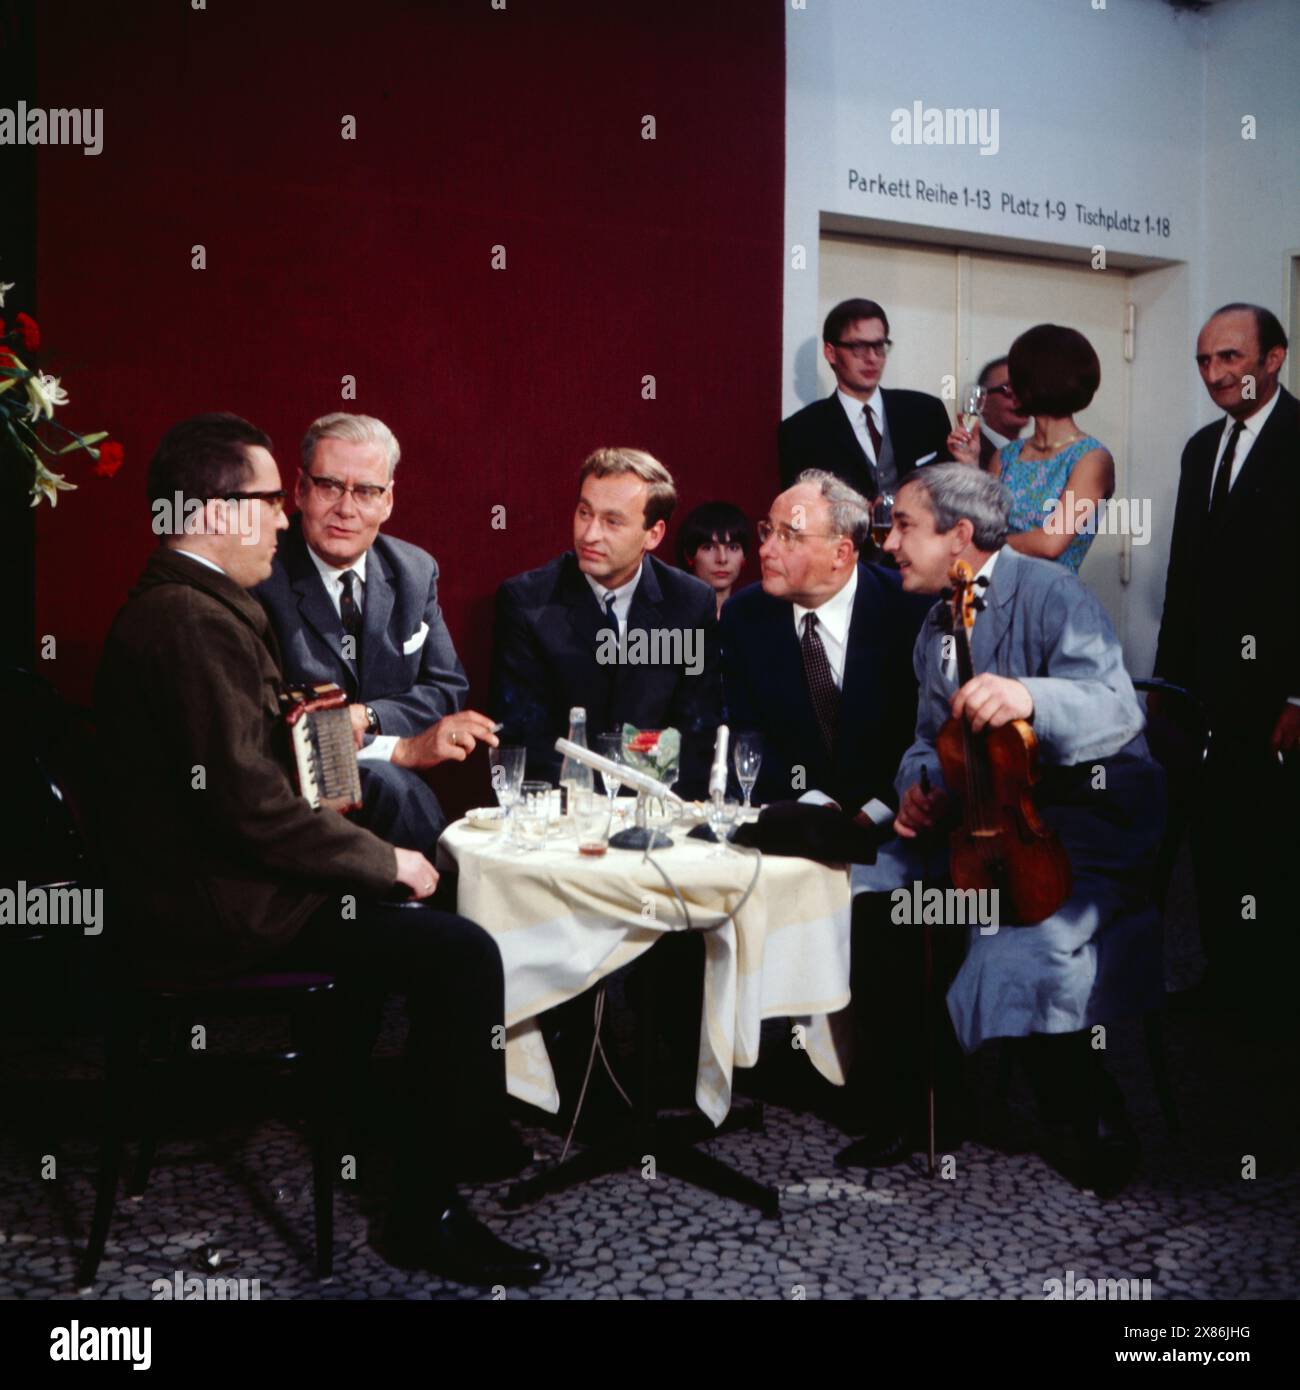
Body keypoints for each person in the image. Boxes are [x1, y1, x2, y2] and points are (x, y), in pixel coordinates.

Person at [95, 413, 548, 1286]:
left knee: (419, 915)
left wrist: (364, 819)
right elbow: (252, 812)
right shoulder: (195, 624)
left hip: (222, 879)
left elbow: (274, 760)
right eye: (272, 499)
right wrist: (383, 863)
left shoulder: (199, 606)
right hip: (215, 908)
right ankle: (425, 1209)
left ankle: (411, 1123)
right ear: (216, 512)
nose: (284, 517)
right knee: (459, 950)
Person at [839, 464, 1165, 1195]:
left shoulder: (1052, 592)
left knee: (1023, 940)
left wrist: (1029, 695)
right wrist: (918, 787)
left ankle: (1089, 1108)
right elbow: (929, 739)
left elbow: (1117, 711)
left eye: (905, 528)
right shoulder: (935, 623)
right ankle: (924, 1102)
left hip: (1085, 818)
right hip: (983, 820)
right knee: (874, 890)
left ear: (960, 535)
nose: (889, 543)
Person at [256, 413, 493, 856]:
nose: (346, 509)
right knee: (392, 786)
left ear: (387, 501)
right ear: (301, 489)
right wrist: (398, 750)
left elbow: (446, 688)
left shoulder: (414, 571)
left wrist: (367, 717)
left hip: (390, 808)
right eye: (330, 486)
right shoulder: (261, 575)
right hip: (293, 801)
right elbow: (263, 720)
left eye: (365, 491)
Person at [1154, 303, 1300, 1017]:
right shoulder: (1199, 448)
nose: (1216, 374)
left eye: (1231, 359)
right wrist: (1165, 687)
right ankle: (1227, 979)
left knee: (1274, 841)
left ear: (1274, 359)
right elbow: (1186, 575)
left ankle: (1272, 996)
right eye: (1206, 361)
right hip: (1205, 691)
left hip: (1278, 694)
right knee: (1214, 838)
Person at [491, 446, 721, 796]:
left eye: (612, 521)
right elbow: (523, 737)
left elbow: (696, 730)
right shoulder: (527, 602)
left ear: (653, 534)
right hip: (562, 810)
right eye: (584, 512)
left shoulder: (689, 604)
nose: (589, 534)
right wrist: (594, 799)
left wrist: (632, 794)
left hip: (657, 808)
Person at [720, 470, 931, 816]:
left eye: (789, 536)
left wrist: (882, 808)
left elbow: (924, 732)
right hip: (795, 817)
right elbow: (747, 732)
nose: (765, 549)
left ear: (841, 553)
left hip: (899, 823)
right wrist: (811, 801)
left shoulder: (912, 609)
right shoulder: (743, 615)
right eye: (767, 531)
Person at [949, 324, 1112, 574]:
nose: (1010, 387)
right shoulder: (1006, 456)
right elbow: (981, 525)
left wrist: (985, 545)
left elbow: (1051, 542)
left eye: (1018, 376)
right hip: (995, 591)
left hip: (1049, 597)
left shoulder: (1091, 458)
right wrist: (970, 464)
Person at [778, 297, 952, 500]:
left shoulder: (926, 412)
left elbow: (952, 495)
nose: (872, 358)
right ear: (831, 353)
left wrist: (969, 462)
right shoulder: (800, 432)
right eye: (858, 347)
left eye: (879, 345)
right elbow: (801, 510)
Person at [675, 500, 752, 617]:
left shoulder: (756, 619)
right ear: (689, 556)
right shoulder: (672, 619)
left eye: (733, 548)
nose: (722, 559)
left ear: (744, 557)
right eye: (708, 548)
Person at [974, 355, 1030, 471]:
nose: (1020, 398)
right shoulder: (971, 453)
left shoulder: (1036, 453)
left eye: (1024, 389)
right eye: (1008, 390)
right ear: (982, 402)